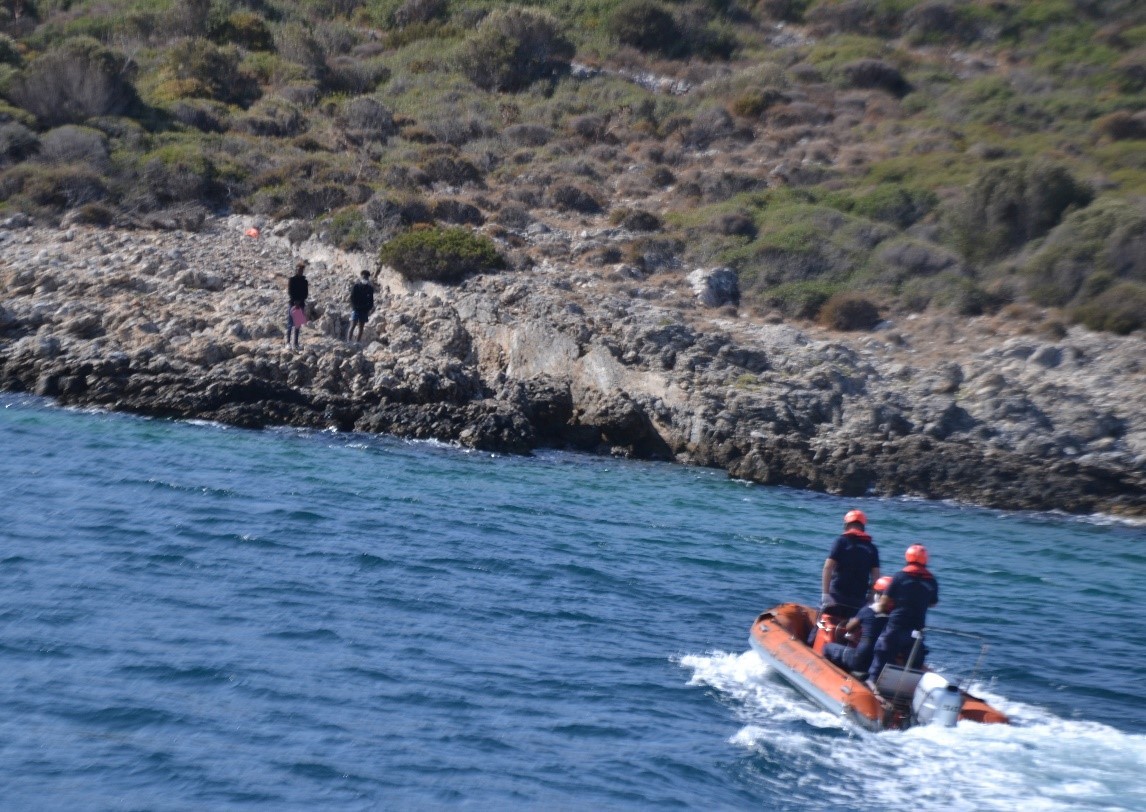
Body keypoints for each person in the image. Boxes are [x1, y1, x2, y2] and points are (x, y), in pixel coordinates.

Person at [867, 544, 939, 685]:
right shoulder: (931, 581)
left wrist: (879, 608)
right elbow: (933, 603)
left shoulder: (900, 577)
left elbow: (883, 604)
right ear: (925, 560)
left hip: (897, 626)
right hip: (917, 630)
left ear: (907, 558)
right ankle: (907, 691)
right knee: (912, 661)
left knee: (882, 653)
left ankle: (873, 684)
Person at [823, 575, 893, 675]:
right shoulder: (895, 617)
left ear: (878, 594)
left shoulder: (868, 610)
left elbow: (848, 628)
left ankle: (831, 677)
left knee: (827, 647)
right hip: (878, 663)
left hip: (860, 660)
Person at [820, 509, 880, 619]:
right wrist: (871, 599)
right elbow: (876, 577)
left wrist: (825, 594)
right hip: (858, 601)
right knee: (851, 633)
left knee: (820, 627)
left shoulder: (841, 541)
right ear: (863, 526)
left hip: (836, 597)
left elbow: (828, 567)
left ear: (846, 524)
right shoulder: (872, 548)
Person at [347, 270, 375, 343]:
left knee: (361, 327)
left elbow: (371, 301)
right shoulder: (356, 286)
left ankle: (357, 342)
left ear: (368, 279)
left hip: (364, 311)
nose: (365, 279)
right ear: (361, 278)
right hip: (356, 309)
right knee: (353, 325)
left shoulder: (370, 289)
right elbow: (352, 298)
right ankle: (348, 341)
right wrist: (354, 307)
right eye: (364, 278)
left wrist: (368, 309)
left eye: (366, 278)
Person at [287, 259, 309, 349]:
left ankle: (296, 343)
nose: (299, 271)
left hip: (301, 304)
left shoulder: (305, 281)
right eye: (298, 270)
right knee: (290, 323)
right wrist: (295, 301)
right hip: (292, 303)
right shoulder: (292, 280)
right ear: (296, 270)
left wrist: (300, 301)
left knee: (298, 325)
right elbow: (290, 291)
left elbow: (306, 293)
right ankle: (288, 343)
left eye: (301, 270)